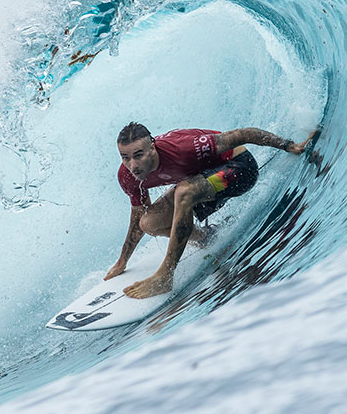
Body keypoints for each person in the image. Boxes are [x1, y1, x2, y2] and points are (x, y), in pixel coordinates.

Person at [107, 122, 317, 298]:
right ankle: (206, 237)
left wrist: (290, 146)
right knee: (148, 222)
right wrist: (122, 262)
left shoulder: (185, 147)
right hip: (199, 185)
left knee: (184, 192)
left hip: (239, 171)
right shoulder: (128, 176)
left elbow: (244, 134)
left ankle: (165, 275)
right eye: (125, 158)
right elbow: (137, 217)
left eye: (138, 155)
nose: (132, 165)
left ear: (152, 148)